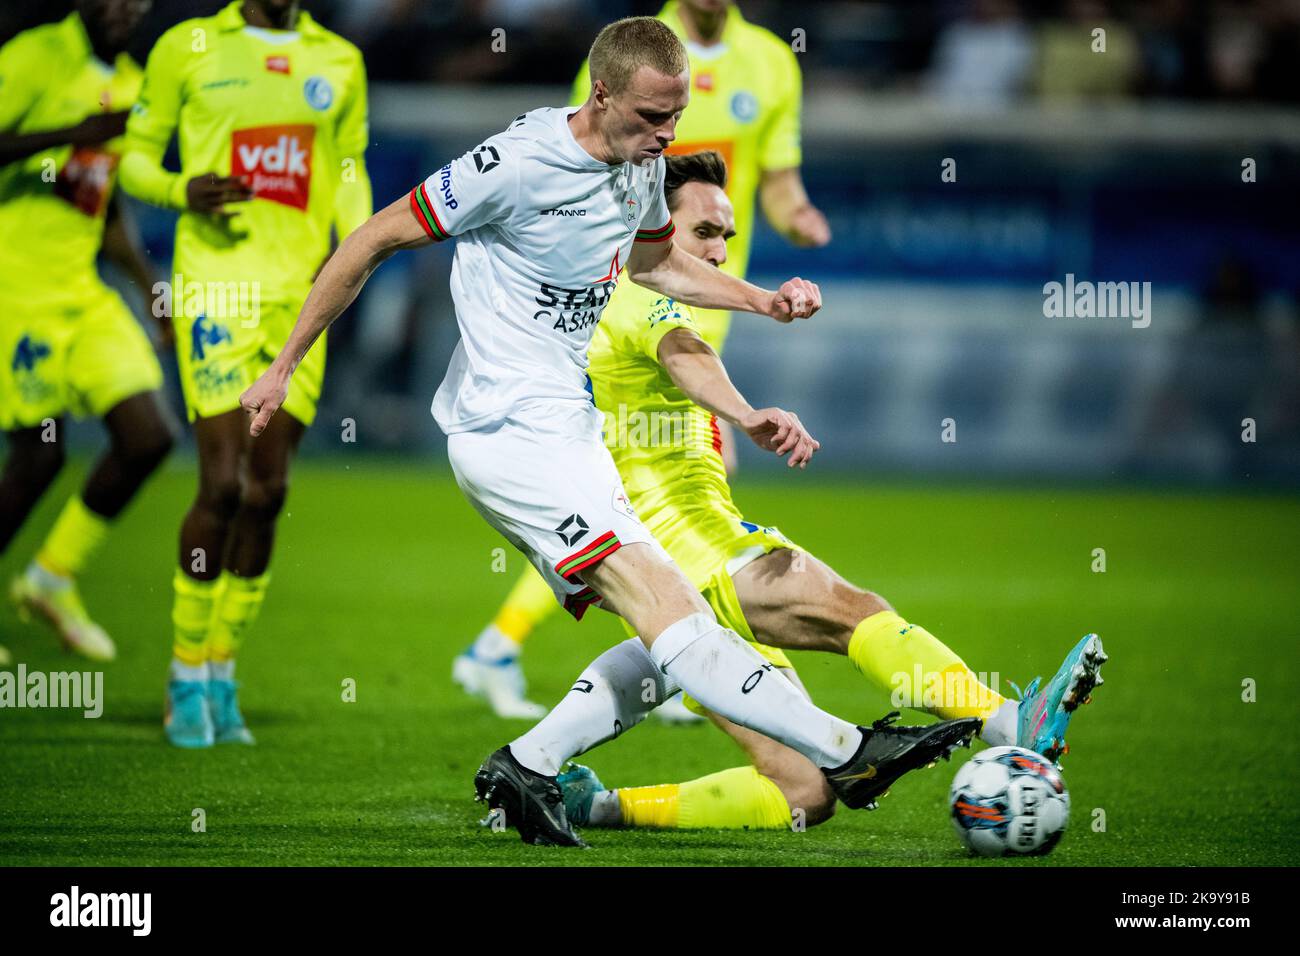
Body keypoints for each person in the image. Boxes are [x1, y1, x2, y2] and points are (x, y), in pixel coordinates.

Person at [239, 16, 981, 847]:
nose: (668, 134)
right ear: (601, 95)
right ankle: (848, 751)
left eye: (677, 116)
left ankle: (529, 764)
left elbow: (655, 263)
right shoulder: (515, 164)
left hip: (569, 429)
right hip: (506, 435)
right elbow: (374, 238)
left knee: (676, 620)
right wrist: (283, 364)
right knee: (672, 609)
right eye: (653, 116)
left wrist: (762, 301)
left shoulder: (643, 166)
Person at [492, 150, 1106, 832]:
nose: (719, 250)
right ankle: (1007, 721)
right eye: (703, 232)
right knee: (850, 610)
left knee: (803, 792)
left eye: (726, 235)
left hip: (651, 548)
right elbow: (684, 356)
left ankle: (581, 797)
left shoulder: (612, 291)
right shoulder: (643, 294)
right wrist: (745, 414)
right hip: (687, 541)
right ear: (654, 227)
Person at [457, 0, 833, 720]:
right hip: (629, 302)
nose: (666, 132)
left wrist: (800, 221)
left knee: (645, 498)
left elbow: (780, 182)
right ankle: (661, 654)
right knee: (626, 497)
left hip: (702, 300)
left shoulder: (770, 63)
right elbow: (585, 158)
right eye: (659, 118)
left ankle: (661, 652)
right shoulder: (635, 54)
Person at [120, 0, 372, 747]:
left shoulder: (339, 60)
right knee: (223, 484)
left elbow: (348, 171)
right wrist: (180, 188)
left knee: (268, 492)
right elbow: (133, 157)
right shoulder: (187, 47)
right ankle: (185, 674)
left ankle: (222, 672)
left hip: (302, 300)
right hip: (215, 290)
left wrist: (358, 248)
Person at [0, 0, 175, 665]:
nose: (127, 10)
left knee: (149, 437)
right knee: (38, 457)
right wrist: (73, 131)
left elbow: (103, 200)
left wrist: (148, 287)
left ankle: (51, 577)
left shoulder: (131, 82)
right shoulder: (35, 54)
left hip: (81, 289)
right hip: (16, 286)